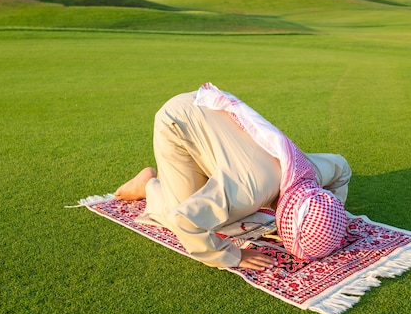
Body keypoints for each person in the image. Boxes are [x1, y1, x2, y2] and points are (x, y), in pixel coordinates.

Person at [115, 83, 351, 272]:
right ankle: (148, 185)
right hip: (179, 120)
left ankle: (201, 180)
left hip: (212, 115)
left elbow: (342, 168)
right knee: (187, 214)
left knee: (223, 201)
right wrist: (232, 255)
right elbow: (185, 221)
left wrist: (332, 211)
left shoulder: (311, 171)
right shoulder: (247, 193)